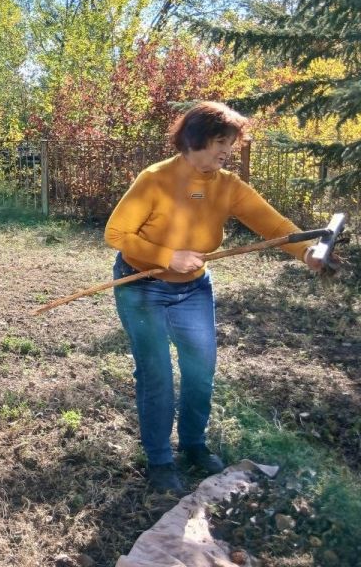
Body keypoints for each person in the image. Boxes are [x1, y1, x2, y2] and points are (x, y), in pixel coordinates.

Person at [105, 101, 325, 493]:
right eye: (221, 141)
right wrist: (168, 256)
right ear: (196, 139)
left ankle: (193, 445)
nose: (229, 150)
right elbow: (117, 234)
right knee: (156, 374)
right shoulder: (155, 179)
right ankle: (159, 459)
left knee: (200, 370)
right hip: (141, 286)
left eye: (232, 142)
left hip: (192, 289)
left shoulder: (227, 186)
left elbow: (272, 224)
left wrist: (305, 250)